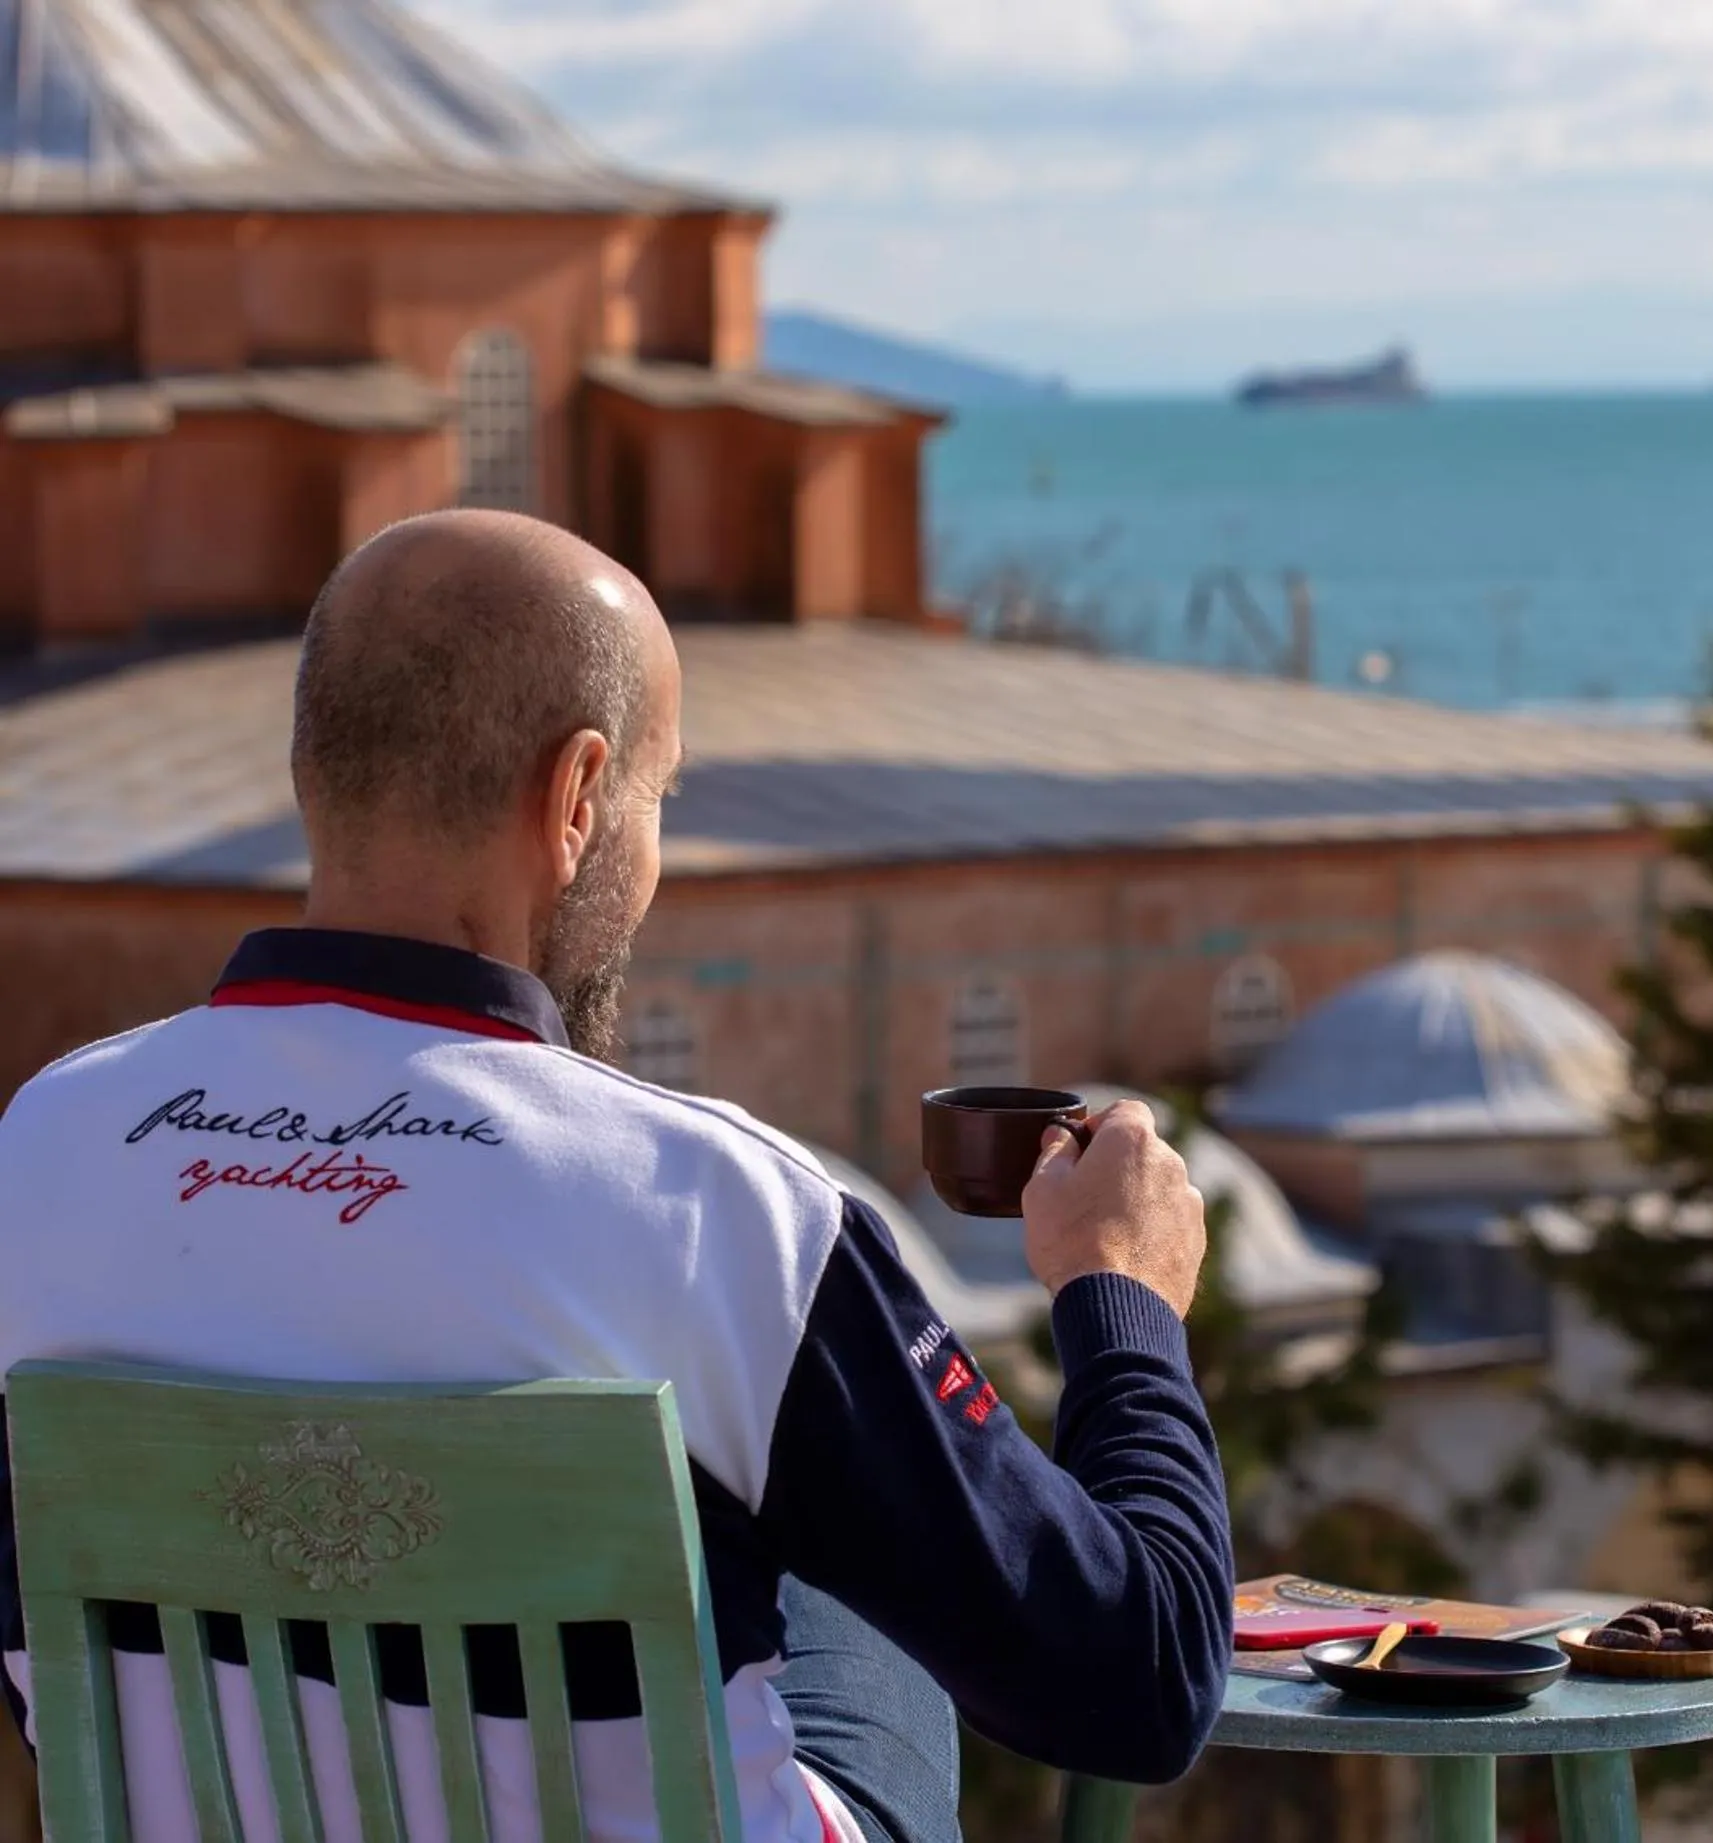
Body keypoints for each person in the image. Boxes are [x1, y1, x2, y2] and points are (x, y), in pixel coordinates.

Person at [0, 511, 1231, 1843]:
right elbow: (1141, 1677)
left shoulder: (43, 1148)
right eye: (660, 799)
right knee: (832, 1553)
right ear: (579, 794)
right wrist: (1124, 1296)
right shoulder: (717, 1210)